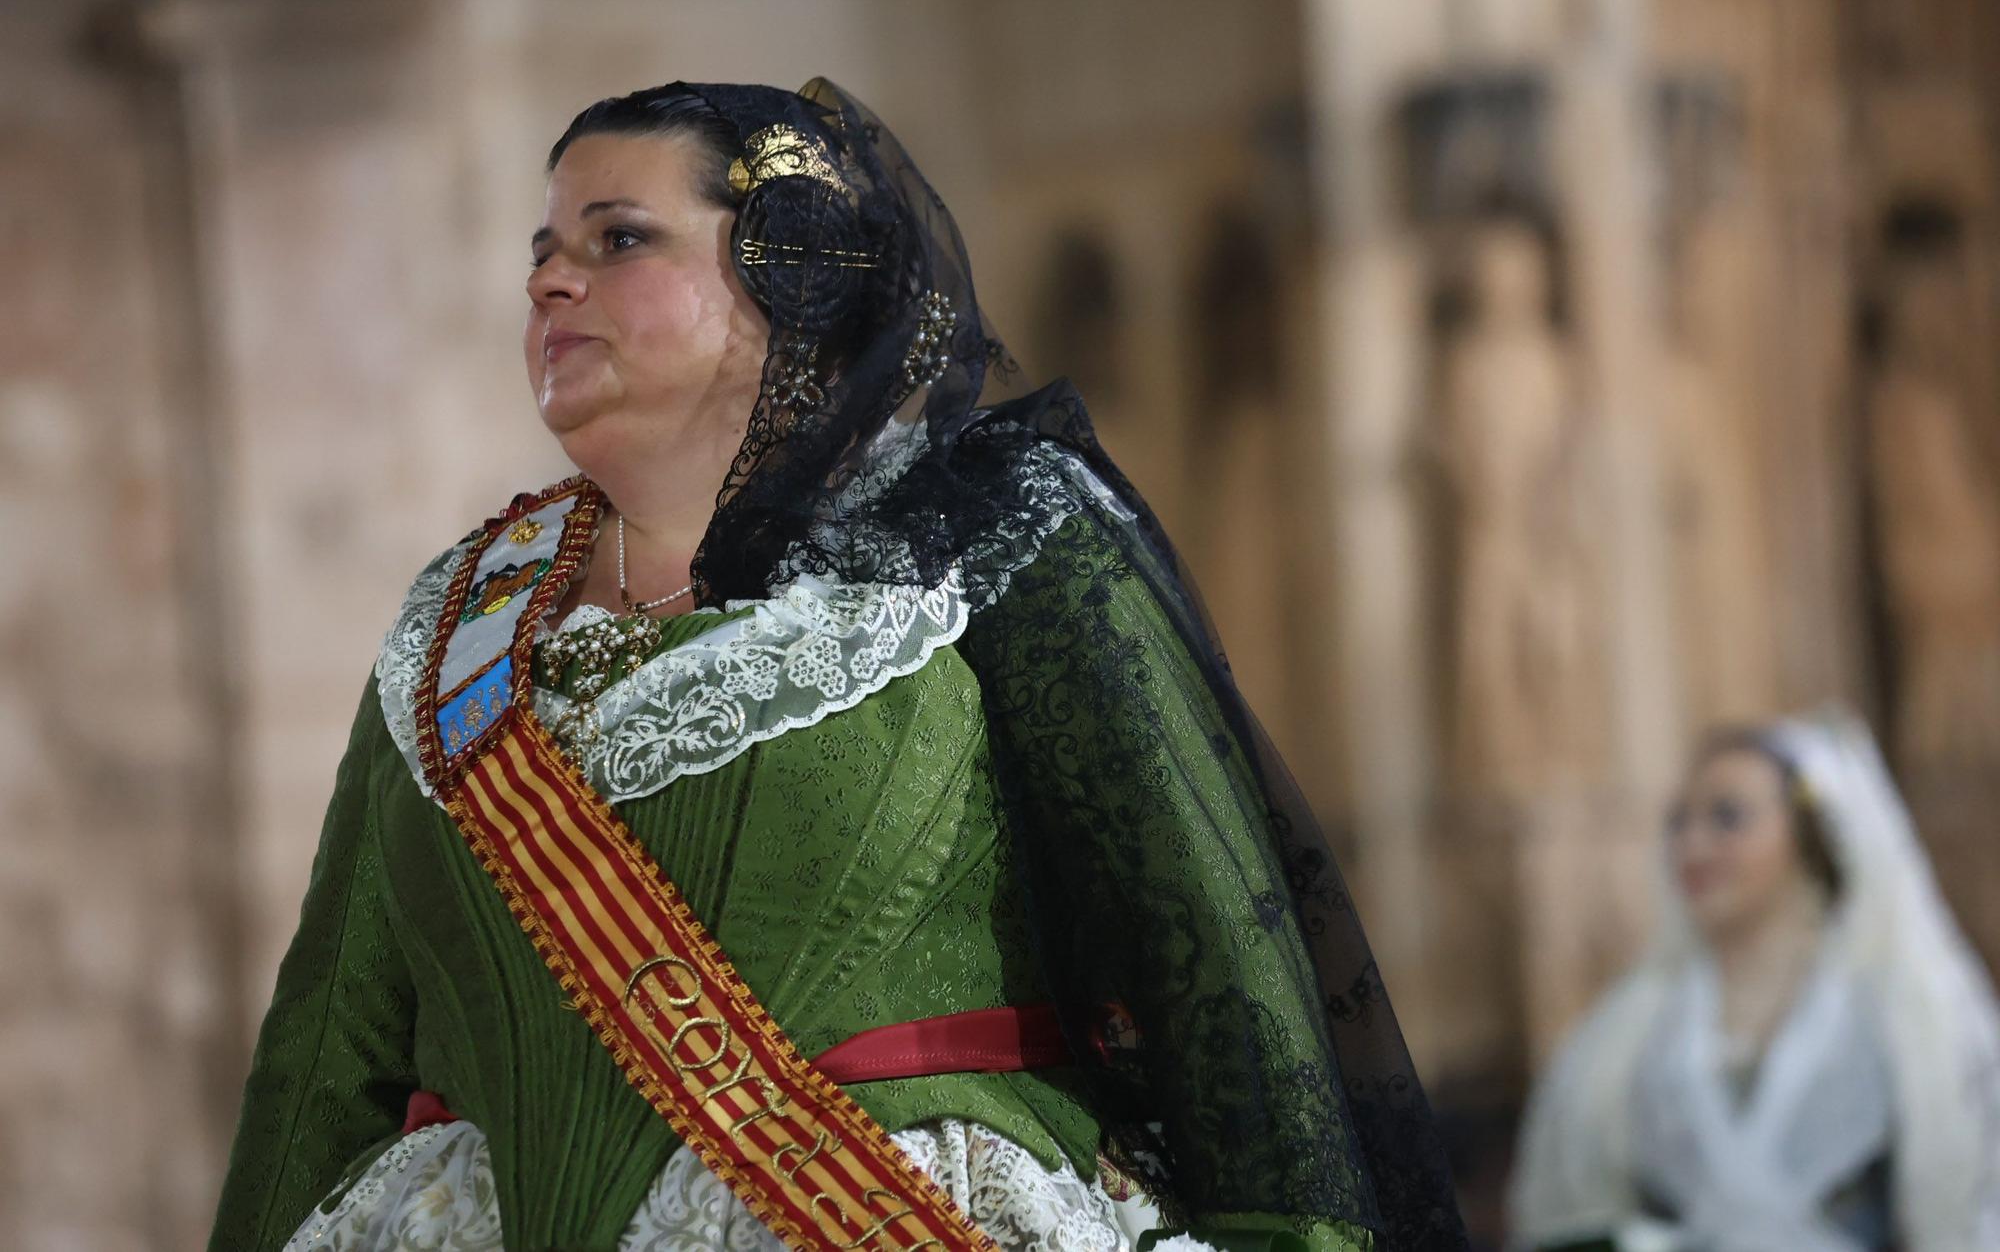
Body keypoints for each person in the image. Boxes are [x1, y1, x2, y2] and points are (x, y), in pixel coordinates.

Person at [205, 79, 1467, 1251]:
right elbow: (325, 1053)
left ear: (786, 281)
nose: (550, 286)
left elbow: (1214, 971)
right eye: (541, 255)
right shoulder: (457, 626)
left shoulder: (984, 535)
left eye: (617, 240)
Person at [1508, 711, 2000, 1251]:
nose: (1693, 845)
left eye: (1727, 817)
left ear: (1808, 830)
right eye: (1679, 822)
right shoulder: (1626, 1030)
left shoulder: (1903, 1011)